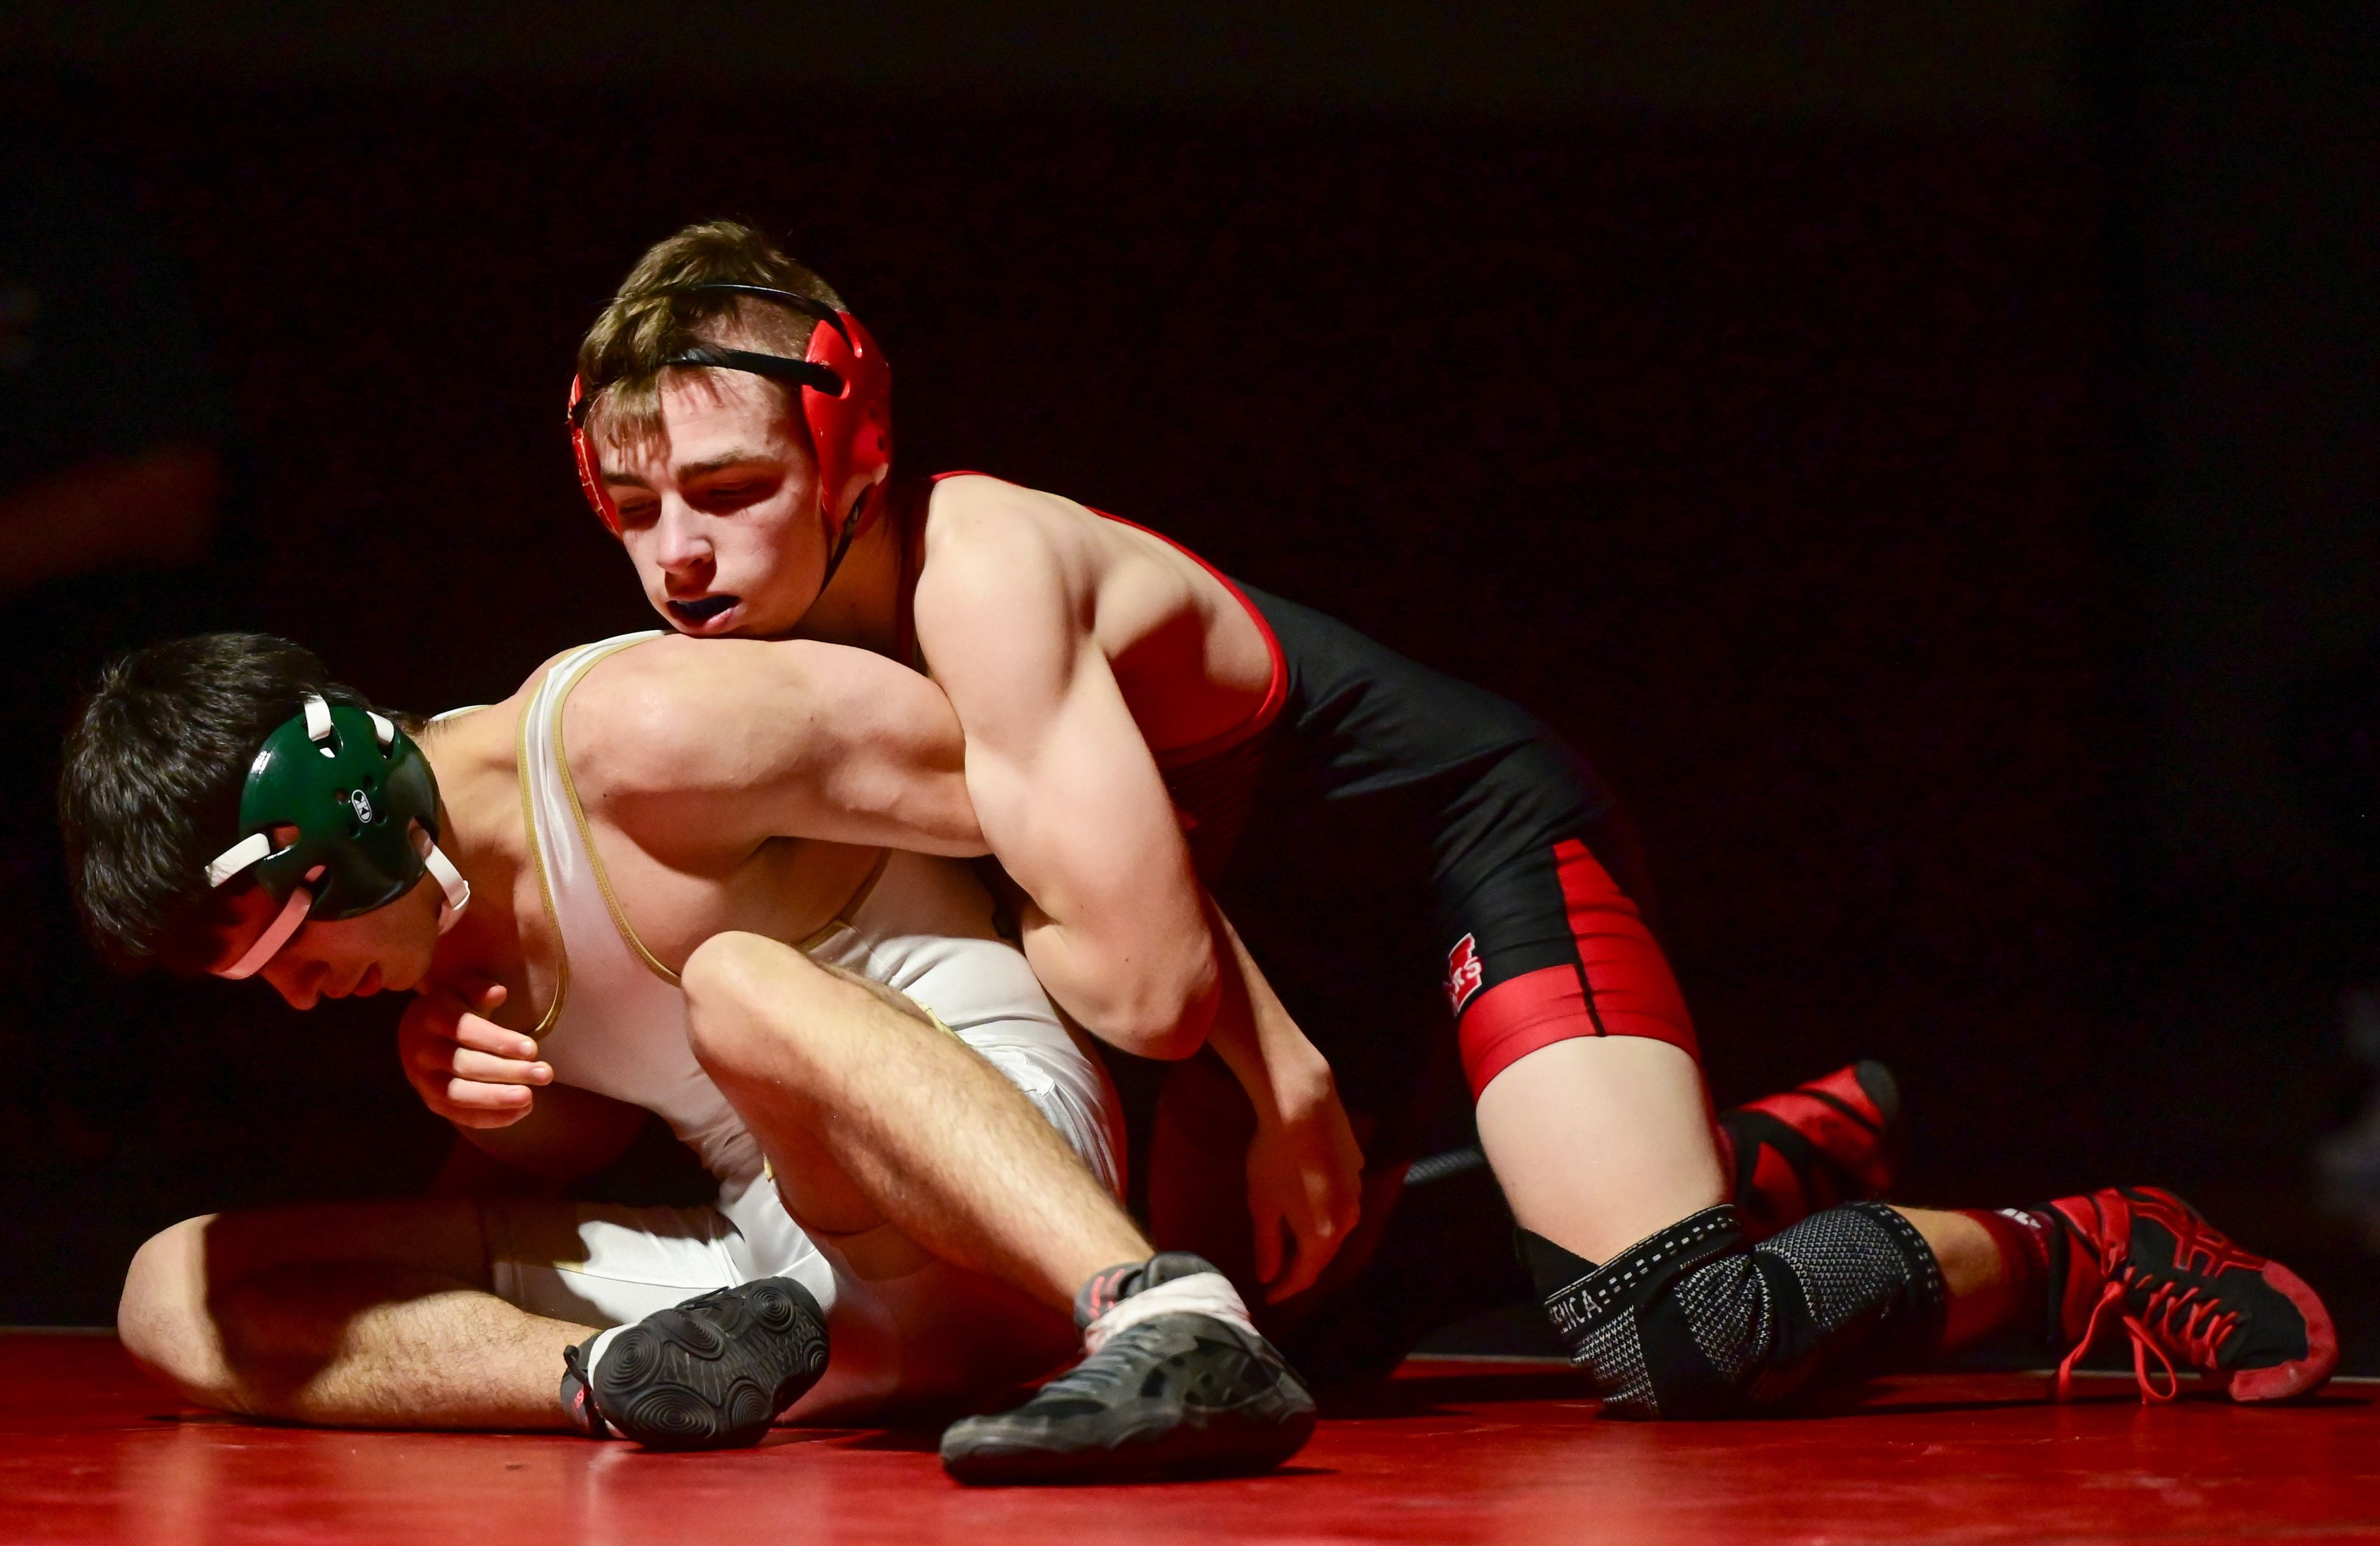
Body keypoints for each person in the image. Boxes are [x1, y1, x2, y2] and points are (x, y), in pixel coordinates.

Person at [533, 221, 2340, 1411]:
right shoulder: (742, 650)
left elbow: (1151, 982)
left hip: (1450, 845)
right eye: (636, 507)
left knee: (1669, 1341)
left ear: (857, 442)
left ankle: (2079, 1240)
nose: (679, 556)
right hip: (1254, 933)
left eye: (730, 488)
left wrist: (1268, 1059)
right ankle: (1742, 1155)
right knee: (1221, 1337)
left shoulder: (984, 569)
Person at [61, 630, 1316, 1482]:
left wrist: (1280, 1081)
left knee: (737, 985)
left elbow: (1102, 816)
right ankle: (617, 1380)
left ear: (342, 828)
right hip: (799, 1289)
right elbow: (591, 1132)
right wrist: (491, 1116)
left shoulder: (642, 737)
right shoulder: (429, 943)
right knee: (171, 1289)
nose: (289, 997)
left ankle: (1176, 1319)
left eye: (276, 945)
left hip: (1003, 1203)